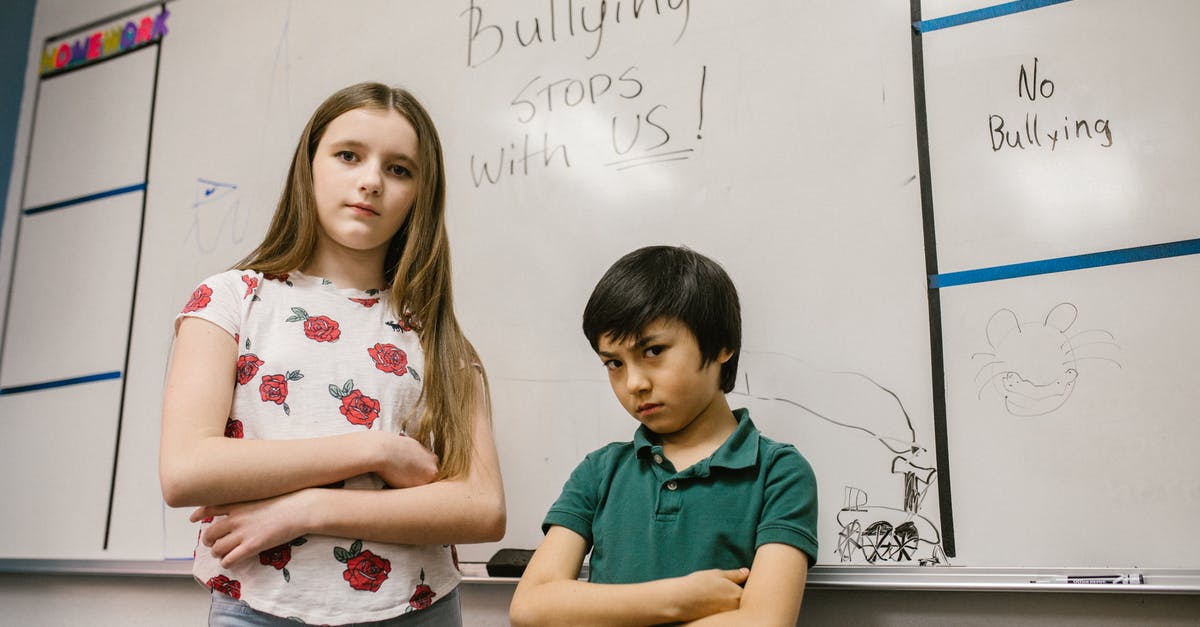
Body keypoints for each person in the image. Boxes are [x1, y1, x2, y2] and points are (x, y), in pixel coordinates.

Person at [159, 82, 506, 626]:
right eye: (349, 155)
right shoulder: (231, 300)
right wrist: (377, 451)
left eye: (399, 169)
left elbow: (482, 508)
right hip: (259, 608)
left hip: (417, 611)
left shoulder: (438, 335)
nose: (370, 180)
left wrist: (307, 508)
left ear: (421, 192)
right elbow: (186, 471)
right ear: (310, 165)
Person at [510, 245, 818, 626]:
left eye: (653, 351)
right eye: (614, 364)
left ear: (722, 345)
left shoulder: (778, 472)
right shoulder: (600, 470)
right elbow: (531, 606)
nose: (634, 383)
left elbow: (764, 622)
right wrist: (678, 598)